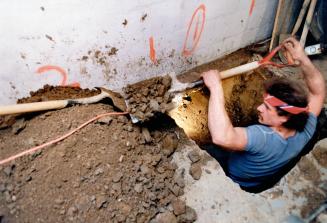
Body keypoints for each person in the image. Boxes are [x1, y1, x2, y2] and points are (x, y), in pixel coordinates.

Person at [201, 37, 326, 193]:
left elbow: (221, 137)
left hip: (235, 179)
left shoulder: (263, 137)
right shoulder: (307, 127)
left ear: (284, 117)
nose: (259, 108)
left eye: (267, 108)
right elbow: (318, 91)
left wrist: (215, 87)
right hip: (260, 181)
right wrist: (302, 59)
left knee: (206, 150)